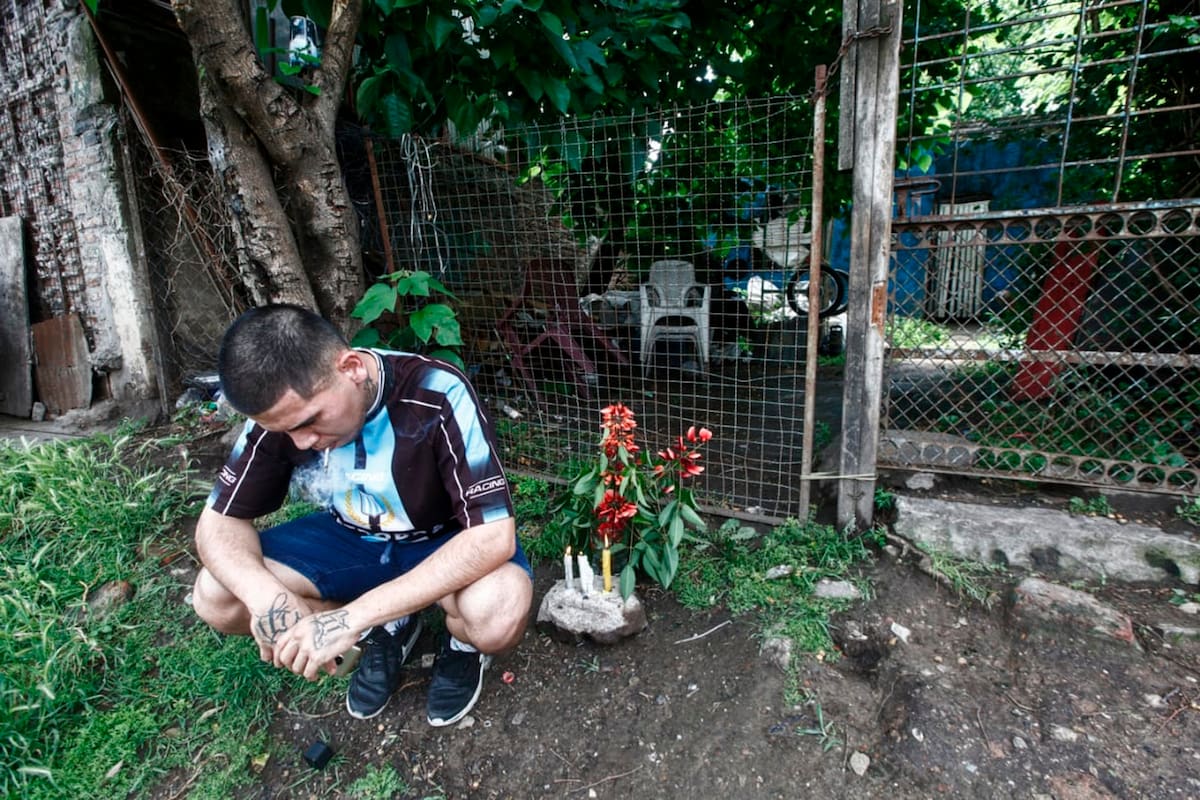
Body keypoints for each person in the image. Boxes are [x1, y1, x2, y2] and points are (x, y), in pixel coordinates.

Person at [191, 303, 533, 726]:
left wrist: (352, 614)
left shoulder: (435, 389)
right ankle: (387, 626)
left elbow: (492, 536)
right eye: (286, 432)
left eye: (311, 421)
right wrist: (270, 600)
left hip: (442, 538)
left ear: (351, 367)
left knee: (496, 612)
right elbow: (216, 525)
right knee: (217, 597)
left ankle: (453, 644)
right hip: (350, 538)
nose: (301, 442)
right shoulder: (285, 413)